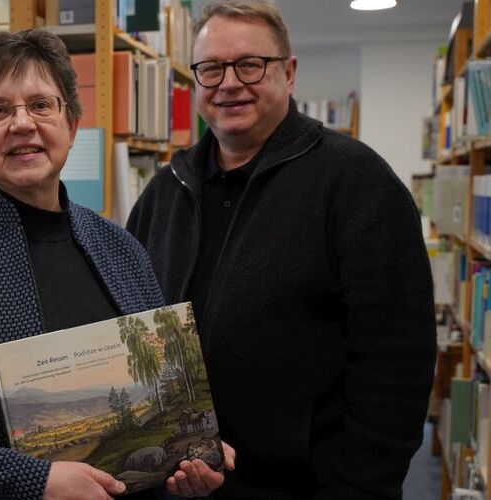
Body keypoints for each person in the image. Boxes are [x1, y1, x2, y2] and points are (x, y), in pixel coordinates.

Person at [0, 29, 230, 500]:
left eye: (41, 105)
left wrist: (188, 462)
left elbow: (167, 405)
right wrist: (36, 482)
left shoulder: (122, 249)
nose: (22, 124)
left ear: (72, 125)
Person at [126, 1, 436, 498]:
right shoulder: (165, 191)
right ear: (195, 81)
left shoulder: (358, 184)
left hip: (308, 487)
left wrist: (359, 486)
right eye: (211, 68)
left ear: (288, 73)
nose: (229, 83)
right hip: (178, 485)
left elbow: (397, 364)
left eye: (250, 64)